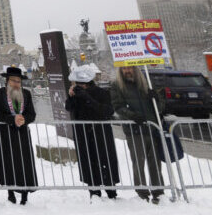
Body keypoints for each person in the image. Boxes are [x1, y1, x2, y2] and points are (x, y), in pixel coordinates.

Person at [111, 66, 166, 203]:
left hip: (151, 128)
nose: (127, 71)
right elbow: (118, 106)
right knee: (138, 162)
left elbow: (160, 108)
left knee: (155, 163)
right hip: (134, 130)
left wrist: (156, 99)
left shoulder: (146, 83)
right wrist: (133, 116)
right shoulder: (117, 85)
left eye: (130, 68)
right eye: (124, 69)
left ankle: (158, 191)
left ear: (136, 69)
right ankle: (142, 193)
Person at [65, 66, 120, 200]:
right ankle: (93, 190)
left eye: (79, 84)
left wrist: (87, 98)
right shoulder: (76, 94)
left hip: (100, 133)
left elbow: (107, 110)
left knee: (105, 159)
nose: (77, 86)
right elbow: (68, 108)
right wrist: (72, 97)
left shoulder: (102, 92)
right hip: (83, 134)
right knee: (88, 160)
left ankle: (110, 189)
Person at [0, 66, 37, 205]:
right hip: (5, 133)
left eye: (18, 81)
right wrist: (12, 120)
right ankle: (10, 192)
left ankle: (24, 195)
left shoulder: (26, 94)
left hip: (22, 133)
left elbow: (32, 114)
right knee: (8, 162)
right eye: (14, 81)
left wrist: (23, 119)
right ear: (7, 81)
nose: (16, 84)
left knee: (24, 163)